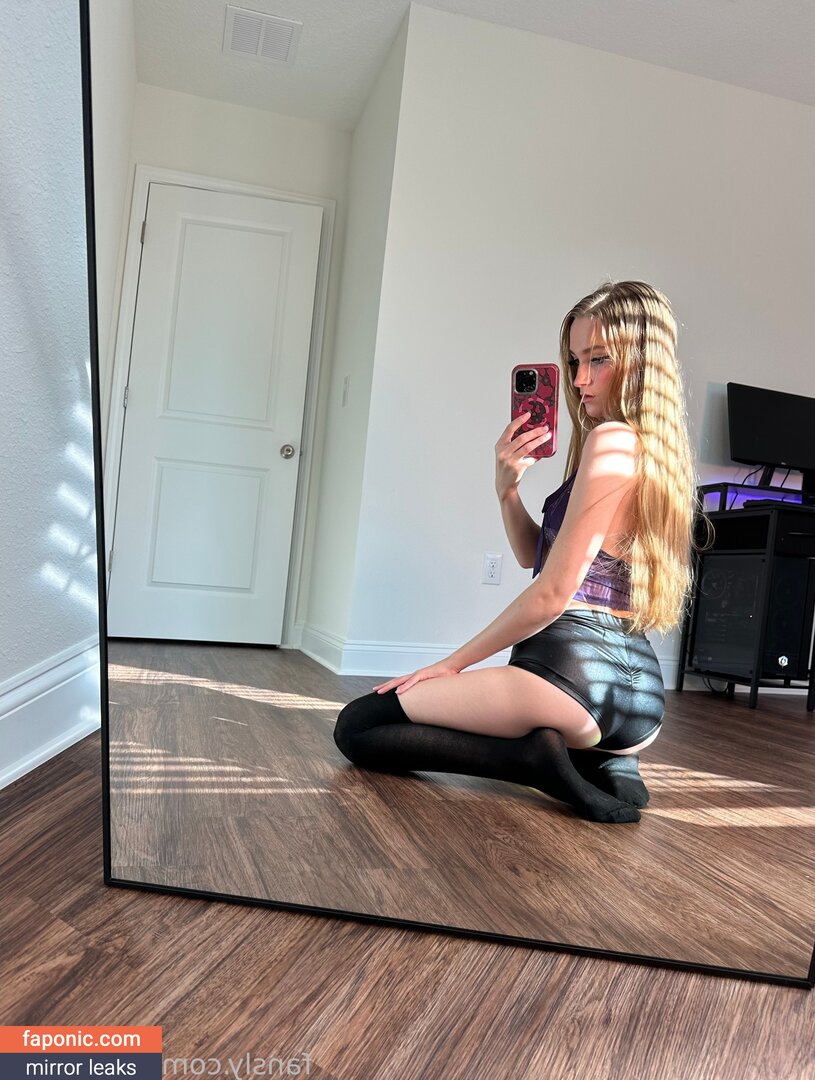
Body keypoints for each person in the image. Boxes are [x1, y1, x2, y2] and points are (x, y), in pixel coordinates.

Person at [334, 280, 706, 824]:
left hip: (571, 674)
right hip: (641, 703)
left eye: (598, 359)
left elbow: (553, 593)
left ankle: (534, 760)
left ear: (641, 363)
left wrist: (450, 666)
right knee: (593, 754)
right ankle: (608, 761)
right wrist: (507, 490)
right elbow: (536, 554)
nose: (579, 379)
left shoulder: (610, 441)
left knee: (359, 725)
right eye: (575, 361)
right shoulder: (657, 456)